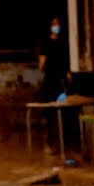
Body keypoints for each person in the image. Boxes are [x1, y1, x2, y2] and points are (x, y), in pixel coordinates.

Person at [38, 16, 71, 153]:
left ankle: (65, 143)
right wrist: (43, 62)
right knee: (49, 113)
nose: (56, 26)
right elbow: (42, 64)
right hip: (50, 80)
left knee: (64, 111)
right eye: (53, 24)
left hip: (62, 80)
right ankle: (50, 143)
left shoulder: (65, 42)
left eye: (57, 23)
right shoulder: (46, 42)